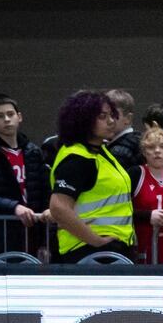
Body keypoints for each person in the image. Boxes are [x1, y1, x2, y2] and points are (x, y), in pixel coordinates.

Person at [47, 89, 137, 263]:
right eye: (102, 117)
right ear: (84, 120)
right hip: (87, 252)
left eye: (112, 115)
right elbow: (59, 207)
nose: (111, 121)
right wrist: (96, 241)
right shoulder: (77, 158)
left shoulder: (100, 152)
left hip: (109, 249)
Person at [0, 94, 51, 258]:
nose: (6, 119)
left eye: (10, 114)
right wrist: (13, 207)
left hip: (32, 233)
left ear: (19, 117)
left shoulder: (33, 152)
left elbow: (44, 193)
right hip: (0, 236)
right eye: (0, 116)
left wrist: (45, 241)